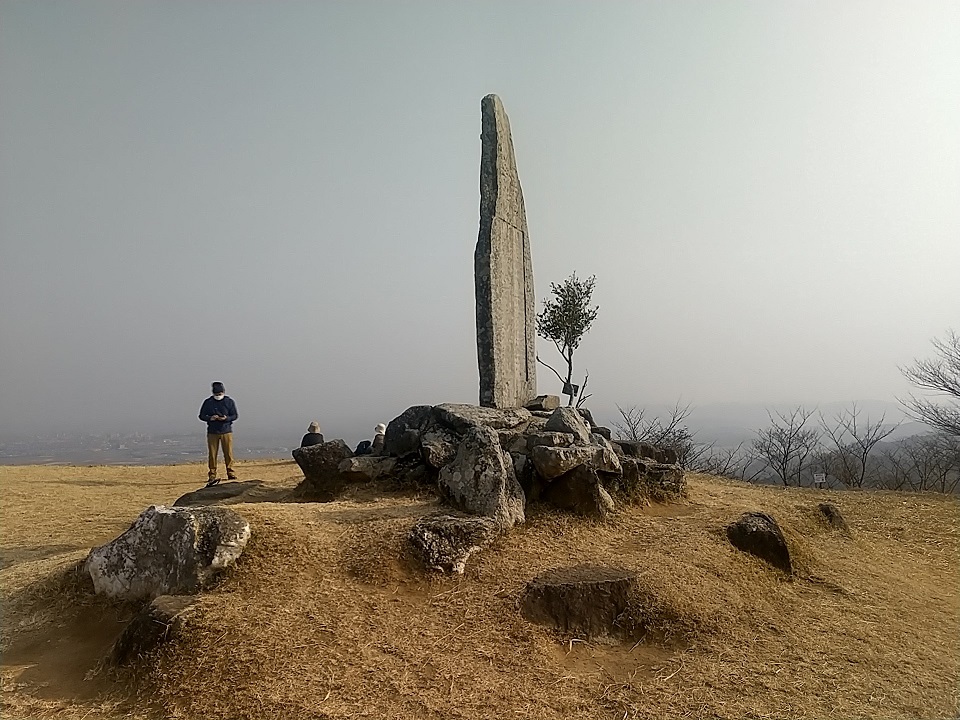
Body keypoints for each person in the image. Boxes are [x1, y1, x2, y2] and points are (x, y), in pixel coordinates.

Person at [198, 381, 238, 486]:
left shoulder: (229, 402)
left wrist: (226, 418)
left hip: (226, 431)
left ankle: (230, 472)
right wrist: (210, 418)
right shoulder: (208, 402)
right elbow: (201, 415)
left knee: (228, 453)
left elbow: (235, 415)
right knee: (212, 454)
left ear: (223, 392)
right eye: (216, 394)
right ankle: (212, 474)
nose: (218, 396)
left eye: (220, 394)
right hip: (212, 432)